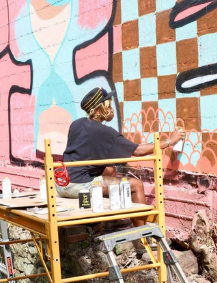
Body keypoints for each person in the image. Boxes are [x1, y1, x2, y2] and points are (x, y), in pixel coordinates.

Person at [58, 87, 184, 227]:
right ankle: (142, 236)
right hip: (79, 187)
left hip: (63, 183)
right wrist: (170, 141)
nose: (112, 110)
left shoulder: (76, 124)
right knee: (136, 186)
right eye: (108, 106)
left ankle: (104, 220)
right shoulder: (105, 132)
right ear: (98, 110)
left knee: (110, 170)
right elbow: (138, 151)